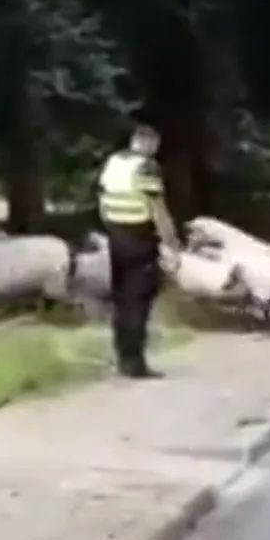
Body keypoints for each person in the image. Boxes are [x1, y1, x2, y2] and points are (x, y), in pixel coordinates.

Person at [97, 124, 183, 379]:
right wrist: (172, 243)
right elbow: (158, 210)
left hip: (116, 237)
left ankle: (122, 356)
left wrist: (111, 227)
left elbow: (102, 201)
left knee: (121, 299)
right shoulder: (147, 167)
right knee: (138, 301)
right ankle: (135, 363)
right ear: (150, 142)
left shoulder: (114, 162)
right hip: (139, 239)